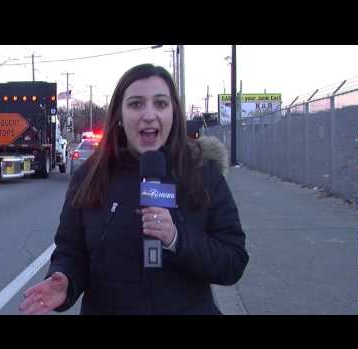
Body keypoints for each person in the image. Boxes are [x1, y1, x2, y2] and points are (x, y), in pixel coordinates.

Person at [19, 64, 249, 315]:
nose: (149, 114)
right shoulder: (90, 177)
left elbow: (233, 261)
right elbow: (71, 251)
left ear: (173, 112)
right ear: (119, 113)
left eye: (160, 104)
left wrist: (177, 238)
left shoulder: (203, 174)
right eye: (136, 104)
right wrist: (64, 279)